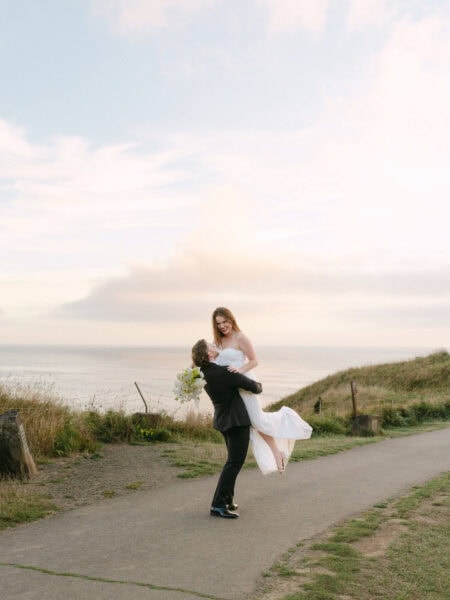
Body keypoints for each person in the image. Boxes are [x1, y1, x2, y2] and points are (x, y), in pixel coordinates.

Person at [211, 307, 312, 475]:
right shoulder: (218, 341)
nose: (222, 326)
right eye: (218, 323)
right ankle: (277, 453)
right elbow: (210, 358)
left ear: (231, 319)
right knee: (250, 423)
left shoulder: (241, 337)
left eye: (224, 322)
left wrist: (239, 371)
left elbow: (254, 361)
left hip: (246, 383)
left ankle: (285, 416)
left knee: (258, 421)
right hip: (232, 391)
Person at [191, 338, 263, 519]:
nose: (214, 345)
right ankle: (218, 504)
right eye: (210, 346)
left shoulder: (202, 373)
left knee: (232, 461)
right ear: (209, 354)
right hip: (236, 422)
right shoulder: (224, 372)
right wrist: (257, 383)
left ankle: (228, 500)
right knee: (234, 463)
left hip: (223, 421)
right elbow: (254, 388)